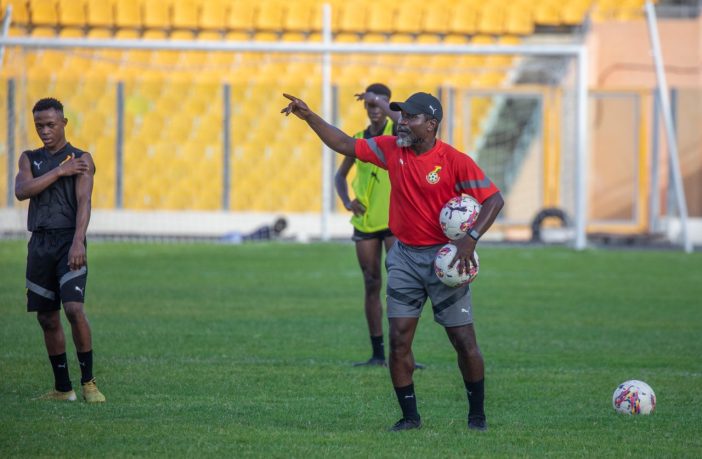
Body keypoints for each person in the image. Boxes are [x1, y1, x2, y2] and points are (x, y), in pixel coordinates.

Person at [281, 91, 504, 432]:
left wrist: (469, 240)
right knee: (399, 340)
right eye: (400, 115)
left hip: (446, 261)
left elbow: (493, 200)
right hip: (403, 258)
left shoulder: (455, 161)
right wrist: (309, 117)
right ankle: (410, 418)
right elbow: (343, 143)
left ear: (430, 125)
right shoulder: (390, 149)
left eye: (410, 117)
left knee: (463, 341)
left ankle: (477, 416)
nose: (402, 121)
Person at [14, 98, 105, 403]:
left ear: (64, 123)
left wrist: (79, 239)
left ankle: (89, 383)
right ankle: (63, 389)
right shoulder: (29, 158)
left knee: (74, 309)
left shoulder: (81, 159)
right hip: (40, 244)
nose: (44, 131)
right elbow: (22, 191)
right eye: (39, 125)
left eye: (51, 124)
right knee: (47, 318)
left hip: (69, 240)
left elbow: (85, 202)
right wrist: (58, 173)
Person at [334, 83, 400, 367]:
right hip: (365, 222)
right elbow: (340, 176)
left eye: (380, 105)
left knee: (399, 285)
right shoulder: (358, 139)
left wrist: (380, 100)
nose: (375, 110)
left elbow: (398, 119)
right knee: (372, 283)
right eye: (371, 105)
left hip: (394, 221)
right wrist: (348, 201)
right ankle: (377, 353)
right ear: (364, 108)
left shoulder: (397, 133)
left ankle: (402, 351)